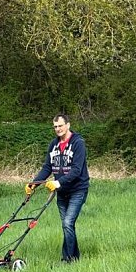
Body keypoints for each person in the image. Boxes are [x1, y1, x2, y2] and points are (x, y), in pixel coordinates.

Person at [27, 113, 89, 263]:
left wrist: (58, 182)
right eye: (55, 127)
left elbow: (76, 169)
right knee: (67, 225)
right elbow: (47, 167)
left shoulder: (78, 143)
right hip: (62, 192)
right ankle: (74, 258)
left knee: (68, 223)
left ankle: (66, 259)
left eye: (60, 126)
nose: (58, 129)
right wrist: (34, 184)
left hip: (77, 190)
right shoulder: (53, 145)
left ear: (68, 125)